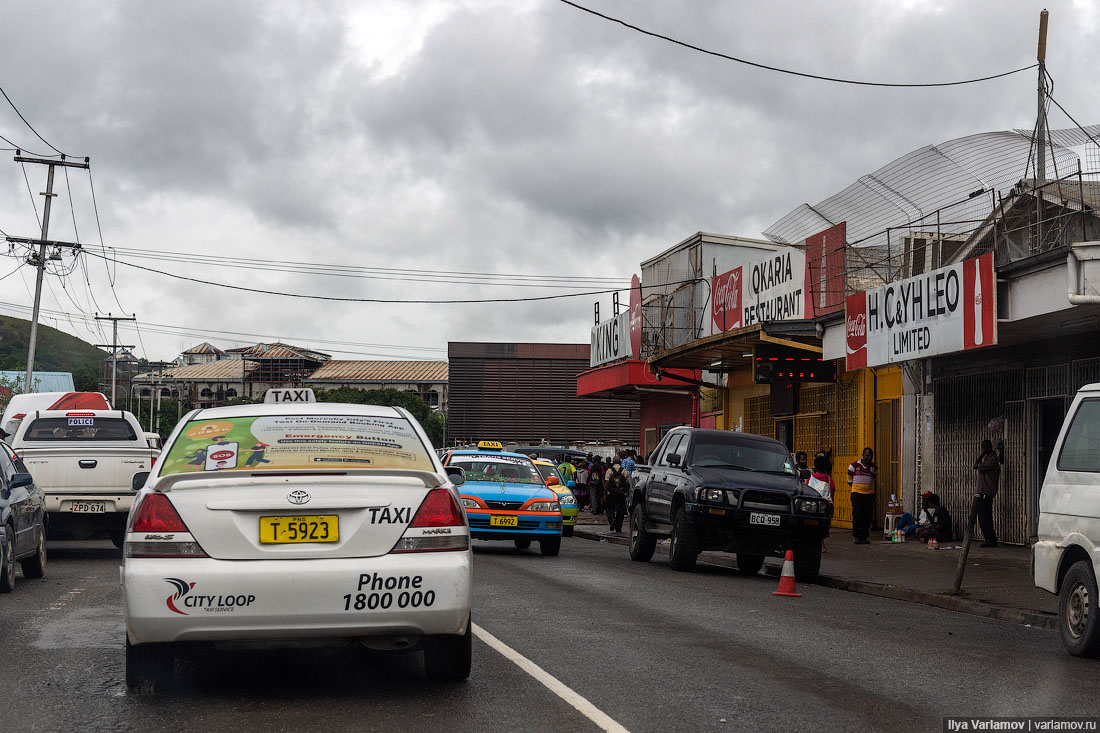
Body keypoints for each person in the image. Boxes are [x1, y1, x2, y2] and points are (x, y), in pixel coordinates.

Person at [847, 447, 878, 545]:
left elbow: (874, 479)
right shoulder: (853, 465)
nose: (869, 458)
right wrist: (857, 488)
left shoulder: (874, 467)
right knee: (857, 514)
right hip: (857, 493)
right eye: (867, 455)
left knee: (867, 516)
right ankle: (856, 536)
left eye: (871, 456)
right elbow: (849, 479)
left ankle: (864, 537)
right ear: (863, 455)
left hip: (869, 494)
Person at [974, 438, 1001, 547]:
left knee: (985, 517)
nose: (983, 449)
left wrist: (982, 454)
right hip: (983, 492)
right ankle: (989, 538)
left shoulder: (991, 459)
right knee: (982, 517)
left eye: (985, 447)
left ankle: (991, 539)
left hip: (987, 492)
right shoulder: (988, 458)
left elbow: (975, 465)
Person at [807, 453, 835, 553]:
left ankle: (818, 546)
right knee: (821, 527)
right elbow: (832, 492)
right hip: (825, 508)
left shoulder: (811, 478)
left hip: (813, 507)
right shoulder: (829, 479)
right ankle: (821, 545)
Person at [603, 456, 630, 532]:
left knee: (609, 507)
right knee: (620, 510)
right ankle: (619, 527)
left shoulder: (609, 470)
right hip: (621, 494)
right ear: (620, 462)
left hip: (611, 493)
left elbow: (607, 482)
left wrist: (605, 493)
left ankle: (612, 520)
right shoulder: (624, 470)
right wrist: (626, 493)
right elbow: (627, 483)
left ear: (613, 462)